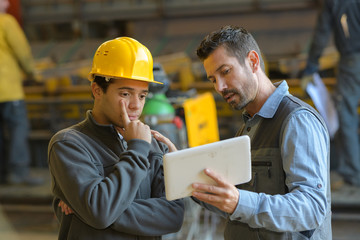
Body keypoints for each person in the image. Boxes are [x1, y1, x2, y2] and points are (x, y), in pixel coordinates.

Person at [189, 25, 331, 239]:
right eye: (212, 80)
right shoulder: (247, 130)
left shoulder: (296, 120)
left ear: (253, 61)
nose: (220, 86)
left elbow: (311, 208)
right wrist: (187, 178)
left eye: (225, 71)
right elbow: (237, 206)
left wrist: (239, 202)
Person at [48, 37, 184, 240]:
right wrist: (137, 148)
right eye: (126, 94)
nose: (136, 105)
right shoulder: (69, 144)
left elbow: (173, 216)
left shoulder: (154, 144)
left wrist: (89, 211)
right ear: (97, 90)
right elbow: (100, 212)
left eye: (142, 96)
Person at [302, 0, 360, 187]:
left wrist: (311, 67)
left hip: (351, 62)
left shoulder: (334, 2)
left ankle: (352, 175)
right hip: (351, 62)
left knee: (346, 117)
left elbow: (321, 34)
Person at [0, 0, 43, 185]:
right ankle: (19, 172)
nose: (7, 3)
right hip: (7, 89)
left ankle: (2, 175)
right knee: (18, 128)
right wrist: (33, 73)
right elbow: (22, 51)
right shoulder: (6, 22)